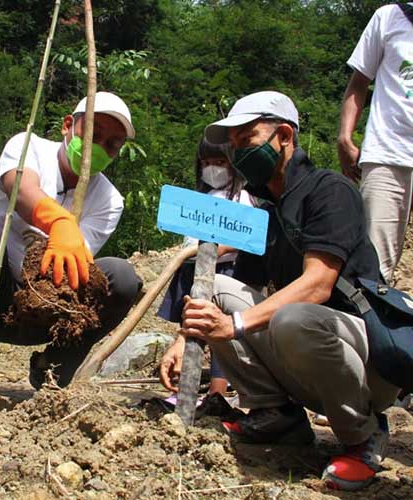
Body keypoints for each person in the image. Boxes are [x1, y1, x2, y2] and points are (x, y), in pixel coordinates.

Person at [159, 91, 399, 491]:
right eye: (232, 144)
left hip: (367, 361)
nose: (237, 153)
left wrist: (232, 325)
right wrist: (188, 335)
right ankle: (278, 415)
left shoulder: (330, 191)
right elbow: (243, 290)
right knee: (216, 288)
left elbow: (318, 285)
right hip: (311, 350)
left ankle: (363, 436)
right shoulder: (268, 211)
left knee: (294, 315)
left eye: (246, 139)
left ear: (284, 136)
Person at [0, 92, 142, 401]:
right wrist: (59, 221)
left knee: (121, 276)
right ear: (68, 126)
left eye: (112, 144)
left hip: (44, 310)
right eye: (93, 134)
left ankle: (52, 368)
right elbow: (21, 187)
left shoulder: (110, 200)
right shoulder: (27, 146)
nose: (99, 148)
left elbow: (75, 269)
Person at [156, 139, 256, 397]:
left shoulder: (241, 197)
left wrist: (215, 251)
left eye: (219, 163)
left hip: (221, 272)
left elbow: (244, 239)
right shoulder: (203, 197)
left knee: (217, 333)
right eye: (206, 163)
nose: (212, 169)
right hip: (193, 269)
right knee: (190, 328)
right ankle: (184, 388)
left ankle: (217, 393)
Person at [338, 3, 413, 283]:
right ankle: (371, 325)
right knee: (374, 263)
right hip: (387, 153)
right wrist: (345, 136)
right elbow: (359, 82)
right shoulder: (390, 17)